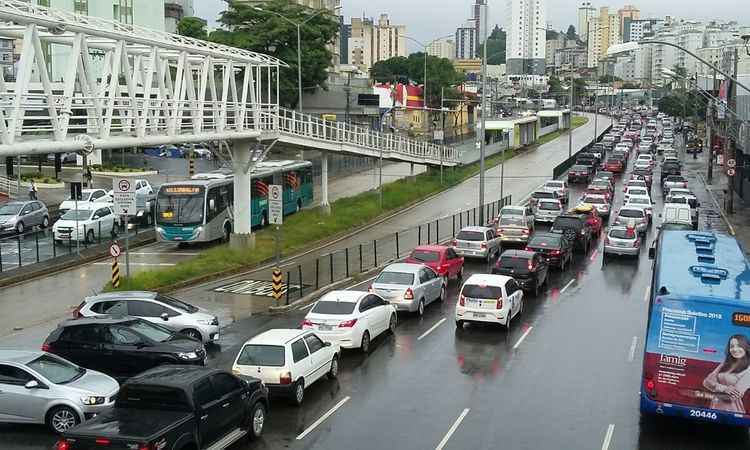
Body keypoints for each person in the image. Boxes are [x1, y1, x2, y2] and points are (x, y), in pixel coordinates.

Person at [702, 335, 750, 413]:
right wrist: (724, 388)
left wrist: (713, 388)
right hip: (713, 410)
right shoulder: (725, 363)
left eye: (739, 346)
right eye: (732, 346)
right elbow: (706, 382)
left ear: (746, 347)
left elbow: (731, 397)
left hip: (733, 413)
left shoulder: (749, 370)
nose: (735, 349)